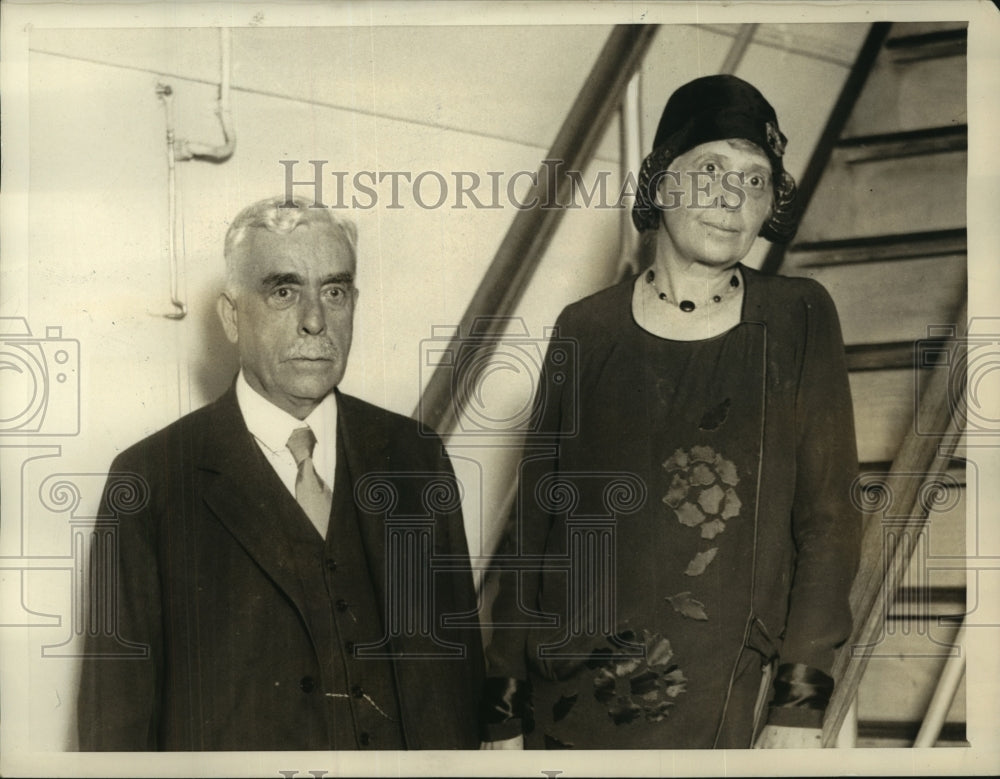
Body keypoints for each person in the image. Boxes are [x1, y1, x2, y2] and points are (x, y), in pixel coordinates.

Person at [480, 75, 861, 749]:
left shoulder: (798, 316)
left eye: (754, 178)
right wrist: (504, 709)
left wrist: (798, 703)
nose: (730, 196)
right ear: (659, 185)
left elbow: (829, 523)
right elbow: (534, 531)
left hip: (726, 699)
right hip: (571, 702)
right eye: (710, 168)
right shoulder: (585, 329)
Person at [77, 196, 484, 750]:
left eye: (334, 292)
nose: (315, 320)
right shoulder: (148, 482)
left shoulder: (416, 457)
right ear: (231, 315)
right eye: (284, 291)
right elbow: (114, 728)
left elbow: (458, 687)